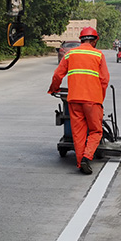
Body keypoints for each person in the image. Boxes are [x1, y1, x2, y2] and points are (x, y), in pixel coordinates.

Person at [48, 27, 110, 175]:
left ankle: (79, 161)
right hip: (92, 100)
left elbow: (57, 75)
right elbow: (104, 80)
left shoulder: (71, 54)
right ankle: (87, 157)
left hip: (74, 99)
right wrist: (99, 98)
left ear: (81, 39)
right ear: (95, 40)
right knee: (96, 131)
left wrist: (53, 89)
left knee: (78, 133)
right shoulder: (98, 55)